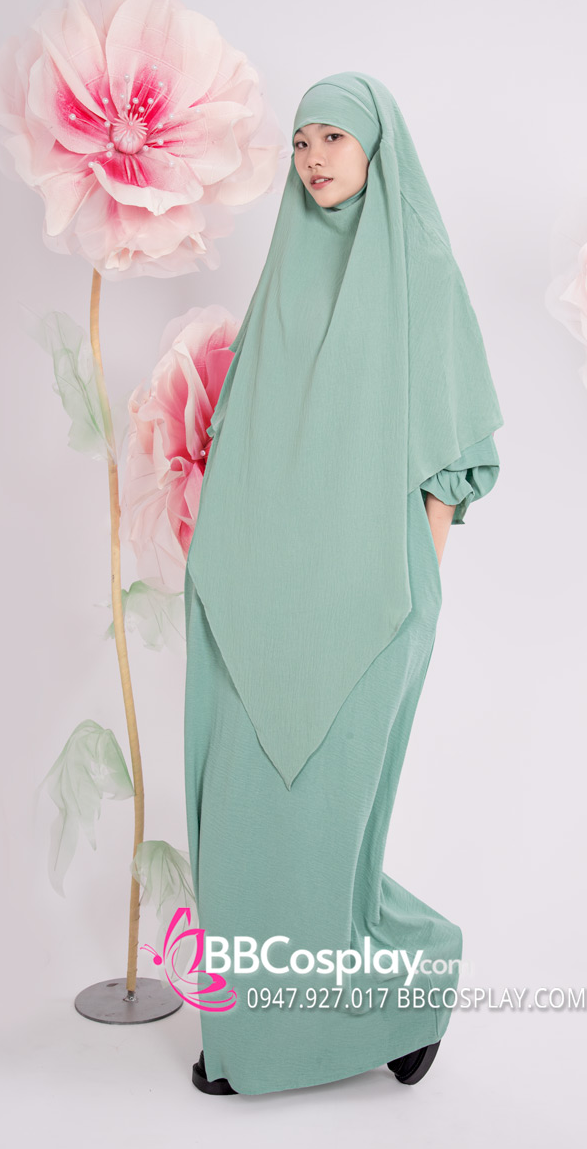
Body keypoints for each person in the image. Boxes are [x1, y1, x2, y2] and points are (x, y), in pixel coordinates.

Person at [183, 70, 503, 1096]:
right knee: (242, 824)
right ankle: (253, 1039)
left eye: (333, 136)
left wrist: (411, 588)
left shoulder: (419, 271)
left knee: (323, 833)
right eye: (300, 139)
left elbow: (452, 449)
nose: (314, 156)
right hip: (252, 595)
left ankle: (391, 1000)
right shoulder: (286, 267)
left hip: (370, 601)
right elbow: (249, 432)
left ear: (376, 146)